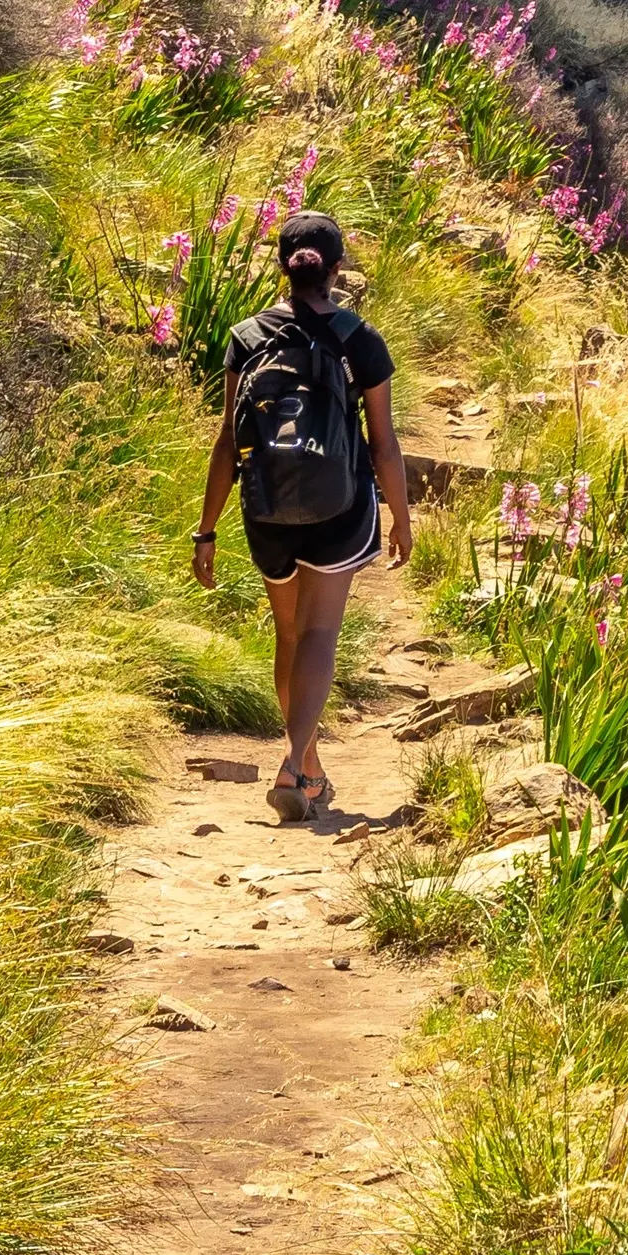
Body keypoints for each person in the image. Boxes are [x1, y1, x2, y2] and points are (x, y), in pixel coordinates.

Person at [192, 209, 412, 821]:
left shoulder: (246, 337)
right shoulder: (359, 339)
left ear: (284, 266)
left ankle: (309, 769)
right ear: (337, 268)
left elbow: (225, 442)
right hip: (337, 508)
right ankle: (293, 762)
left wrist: (206, 531)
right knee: (320, 634)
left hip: (264, 509)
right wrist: (401, 515)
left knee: (289, 636)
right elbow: (383, 444)